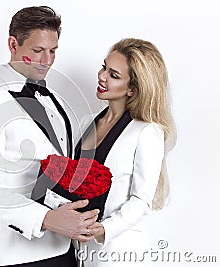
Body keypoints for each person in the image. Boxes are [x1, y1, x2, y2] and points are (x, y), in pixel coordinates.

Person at [0, 6, 99, 267]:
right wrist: (46, 220)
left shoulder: (55, 100)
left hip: (66, 250)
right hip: (18, 257)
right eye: (37, 51)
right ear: (13, 44)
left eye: (53, 51)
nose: (47, 61)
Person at [74, 38, 176, 266]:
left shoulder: (147, 131)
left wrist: (103, 230)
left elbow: (141, 200)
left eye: (114, 75)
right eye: (103, 67)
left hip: (121, 253)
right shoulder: (87, 123)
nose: (101, 76)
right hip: (82, 252)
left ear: (133, 89)